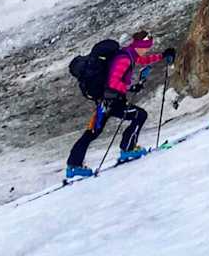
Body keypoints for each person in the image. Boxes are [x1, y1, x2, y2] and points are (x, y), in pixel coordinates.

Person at [65, 31, 176, 178]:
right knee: (140, 115)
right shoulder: (124, 59)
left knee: (93, 132)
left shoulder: (129, 53)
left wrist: (162, 56)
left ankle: (73, 165)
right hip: (112, 102)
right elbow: (113, 82)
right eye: (146, 47)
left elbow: (142, 61)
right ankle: (128, 149)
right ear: (139, 46)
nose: (147, 50)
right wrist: (130, 88)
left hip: (105, 103)